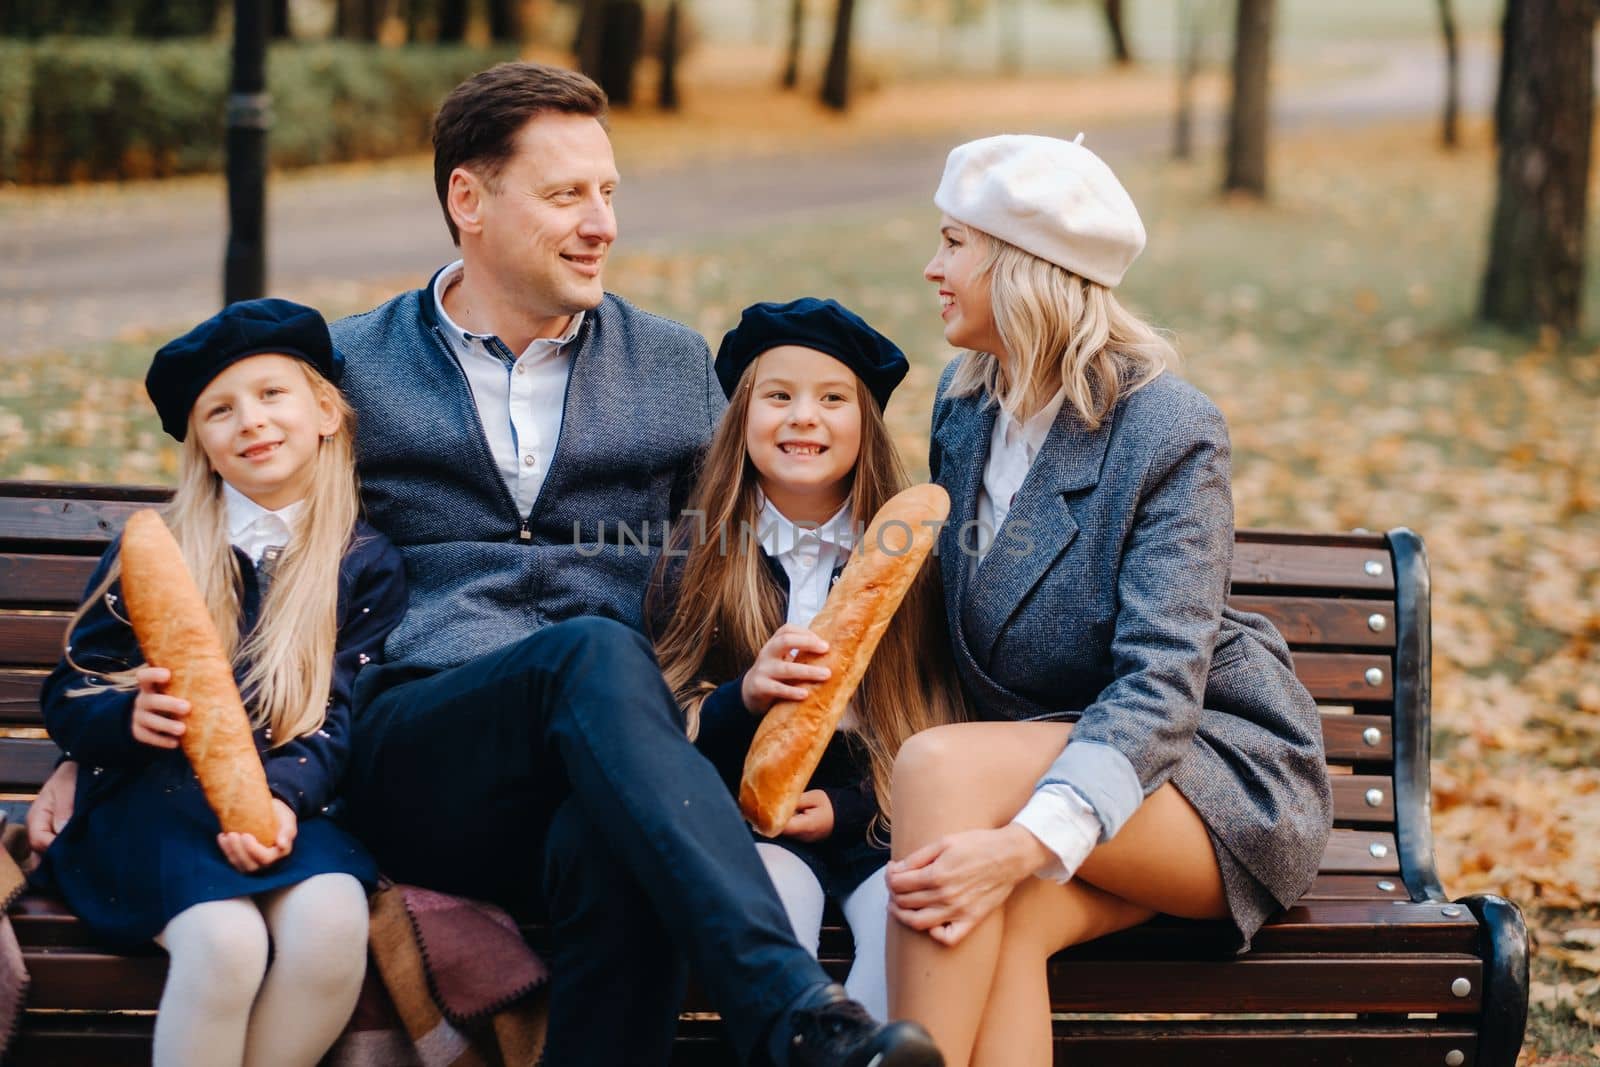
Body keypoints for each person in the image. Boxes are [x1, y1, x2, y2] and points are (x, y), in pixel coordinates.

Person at [32, 62, 943, 1067]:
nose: (600, 222)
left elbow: (745, 553)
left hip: (609, 764)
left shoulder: (675, 366)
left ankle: (792, 1021)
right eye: (566, 195)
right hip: (422, 749)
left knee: (617, 848)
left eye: (608, 194)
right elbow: (233, 553)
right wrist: (104, 737)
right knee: (591, 651)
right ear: (467, 198)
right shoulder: (353, 366)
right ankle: (791, 1010)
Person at [882, 134, 1335, 1065]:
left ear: (1021, 266)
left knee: (939, 773)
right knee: (1004, 918)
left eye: (955, 243)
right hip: (1055, 767)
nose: (933, 268)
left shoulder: (1166, 427)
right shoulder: (966, 409)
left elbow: (1164, 685)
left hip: (1206, 772)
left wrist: (1021, 844)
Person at [35, 299, 408, 1067]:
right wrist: (125, 716)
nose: (251, 421)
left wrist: (279, 797)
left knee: (334, 925)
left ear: (327, 412)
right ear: (201, 444)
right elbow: (69, 691)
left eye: (273, 393)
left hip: (292, 802)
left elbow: (346, 708)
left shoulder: (363, 561)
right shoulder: (160, 551)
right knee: (225, 942)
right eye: (220, 410)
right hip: (153, 806)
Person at [647, 298, 966, 1018]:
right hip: (747, 815)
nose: (803, 417)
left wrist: (853, 810)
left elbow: (932, 713)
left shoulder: (910, 563)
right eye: (778, 396)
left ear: (866, 425)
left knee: (909, 919)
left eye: (832, 399)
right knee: (770, 913)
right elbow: (663, 713)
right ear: (740, 416)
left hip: (880, 815)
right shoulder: (696, 558)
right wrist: (744, 697)